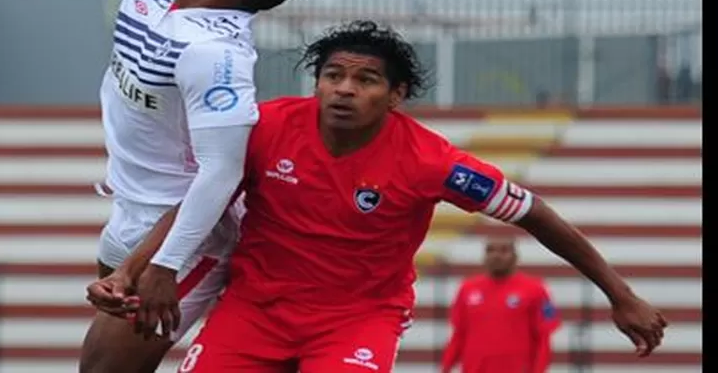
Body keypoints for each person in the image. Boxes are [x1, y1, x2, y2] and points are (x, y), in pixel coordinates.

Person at [90, 20, 668, 372]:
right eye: (333, 75)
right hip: (255, 309)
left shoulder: (433, 162)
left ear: (396, 95)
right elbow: (201, 197)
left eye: (365, 80)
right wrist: (132, 271)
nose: (344, 89)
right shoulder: (266, 127)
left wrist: (621, 294)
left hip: (356, 320)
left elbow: (536, 216)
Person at [0, 0, 306, 371]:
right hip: (128, 206)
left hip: (182, 229)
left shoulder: (217, 55)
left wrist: (166, 263)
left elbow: (222, 171)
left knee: (103, 368)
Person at [441, 237, 561, 373]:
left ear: (515, 257)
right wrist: (446, 367)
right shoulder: (467, 289)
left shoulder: (536, 289)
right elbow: (459, 335)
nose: (496, 256)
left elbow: (543, 339)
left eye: (504, 251)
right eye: (490, 250)